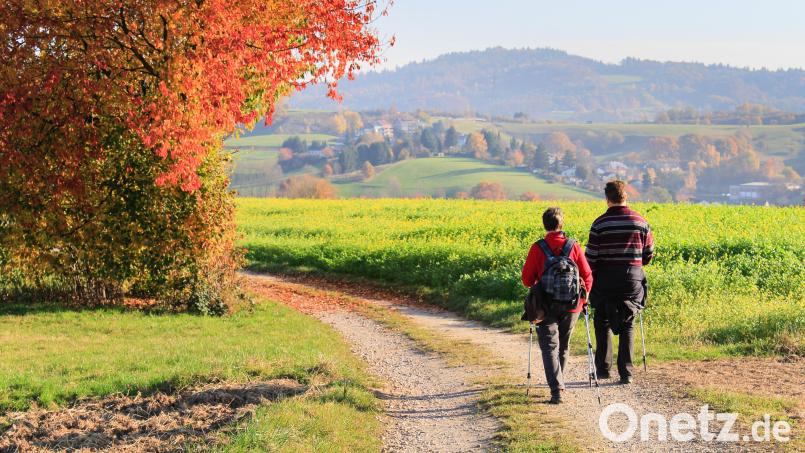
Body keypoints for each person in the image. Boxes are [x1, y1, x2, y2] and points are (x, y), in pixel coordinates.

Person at [585, 180, 654, 385]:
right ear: (626, 196)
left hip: (605, 279)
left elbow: (591, 258)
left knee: (603, 321)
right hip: (631, 278)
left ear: (607, 199)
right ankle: (626, 373)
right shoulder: (641, 222)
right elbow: (648, 255)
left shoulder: (599, 224)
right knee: (628, 323)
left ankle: (603, 369)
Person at [521, 207, 593, 404]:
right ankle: (560, 382)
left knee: (549, 347)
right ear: (562, 224)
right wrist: (583, 299)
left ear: (544, 224)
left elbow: (527, 280)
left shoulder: (538, 248)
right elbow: (587, 275)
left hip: (545, 306)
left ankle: (557, 390)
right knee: (563, 346)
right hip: (572, 306)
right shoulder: (574, 246)